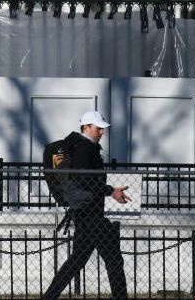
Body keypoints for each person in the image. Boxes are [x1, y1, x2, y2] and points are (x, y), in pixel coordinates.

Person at [41, 110, 131, 300]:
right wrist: (110, 191)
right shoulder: (84, 148)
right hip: (91, 215)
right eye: (98, 128)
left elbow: (85, 179)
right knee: (114, 259)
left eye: (102, 129)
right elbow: (85, 179)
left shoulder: (80, 147)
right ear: (86, 127)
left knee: (77, 260)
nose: (101, 133)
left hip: (84, 212)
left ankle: (48, 297)